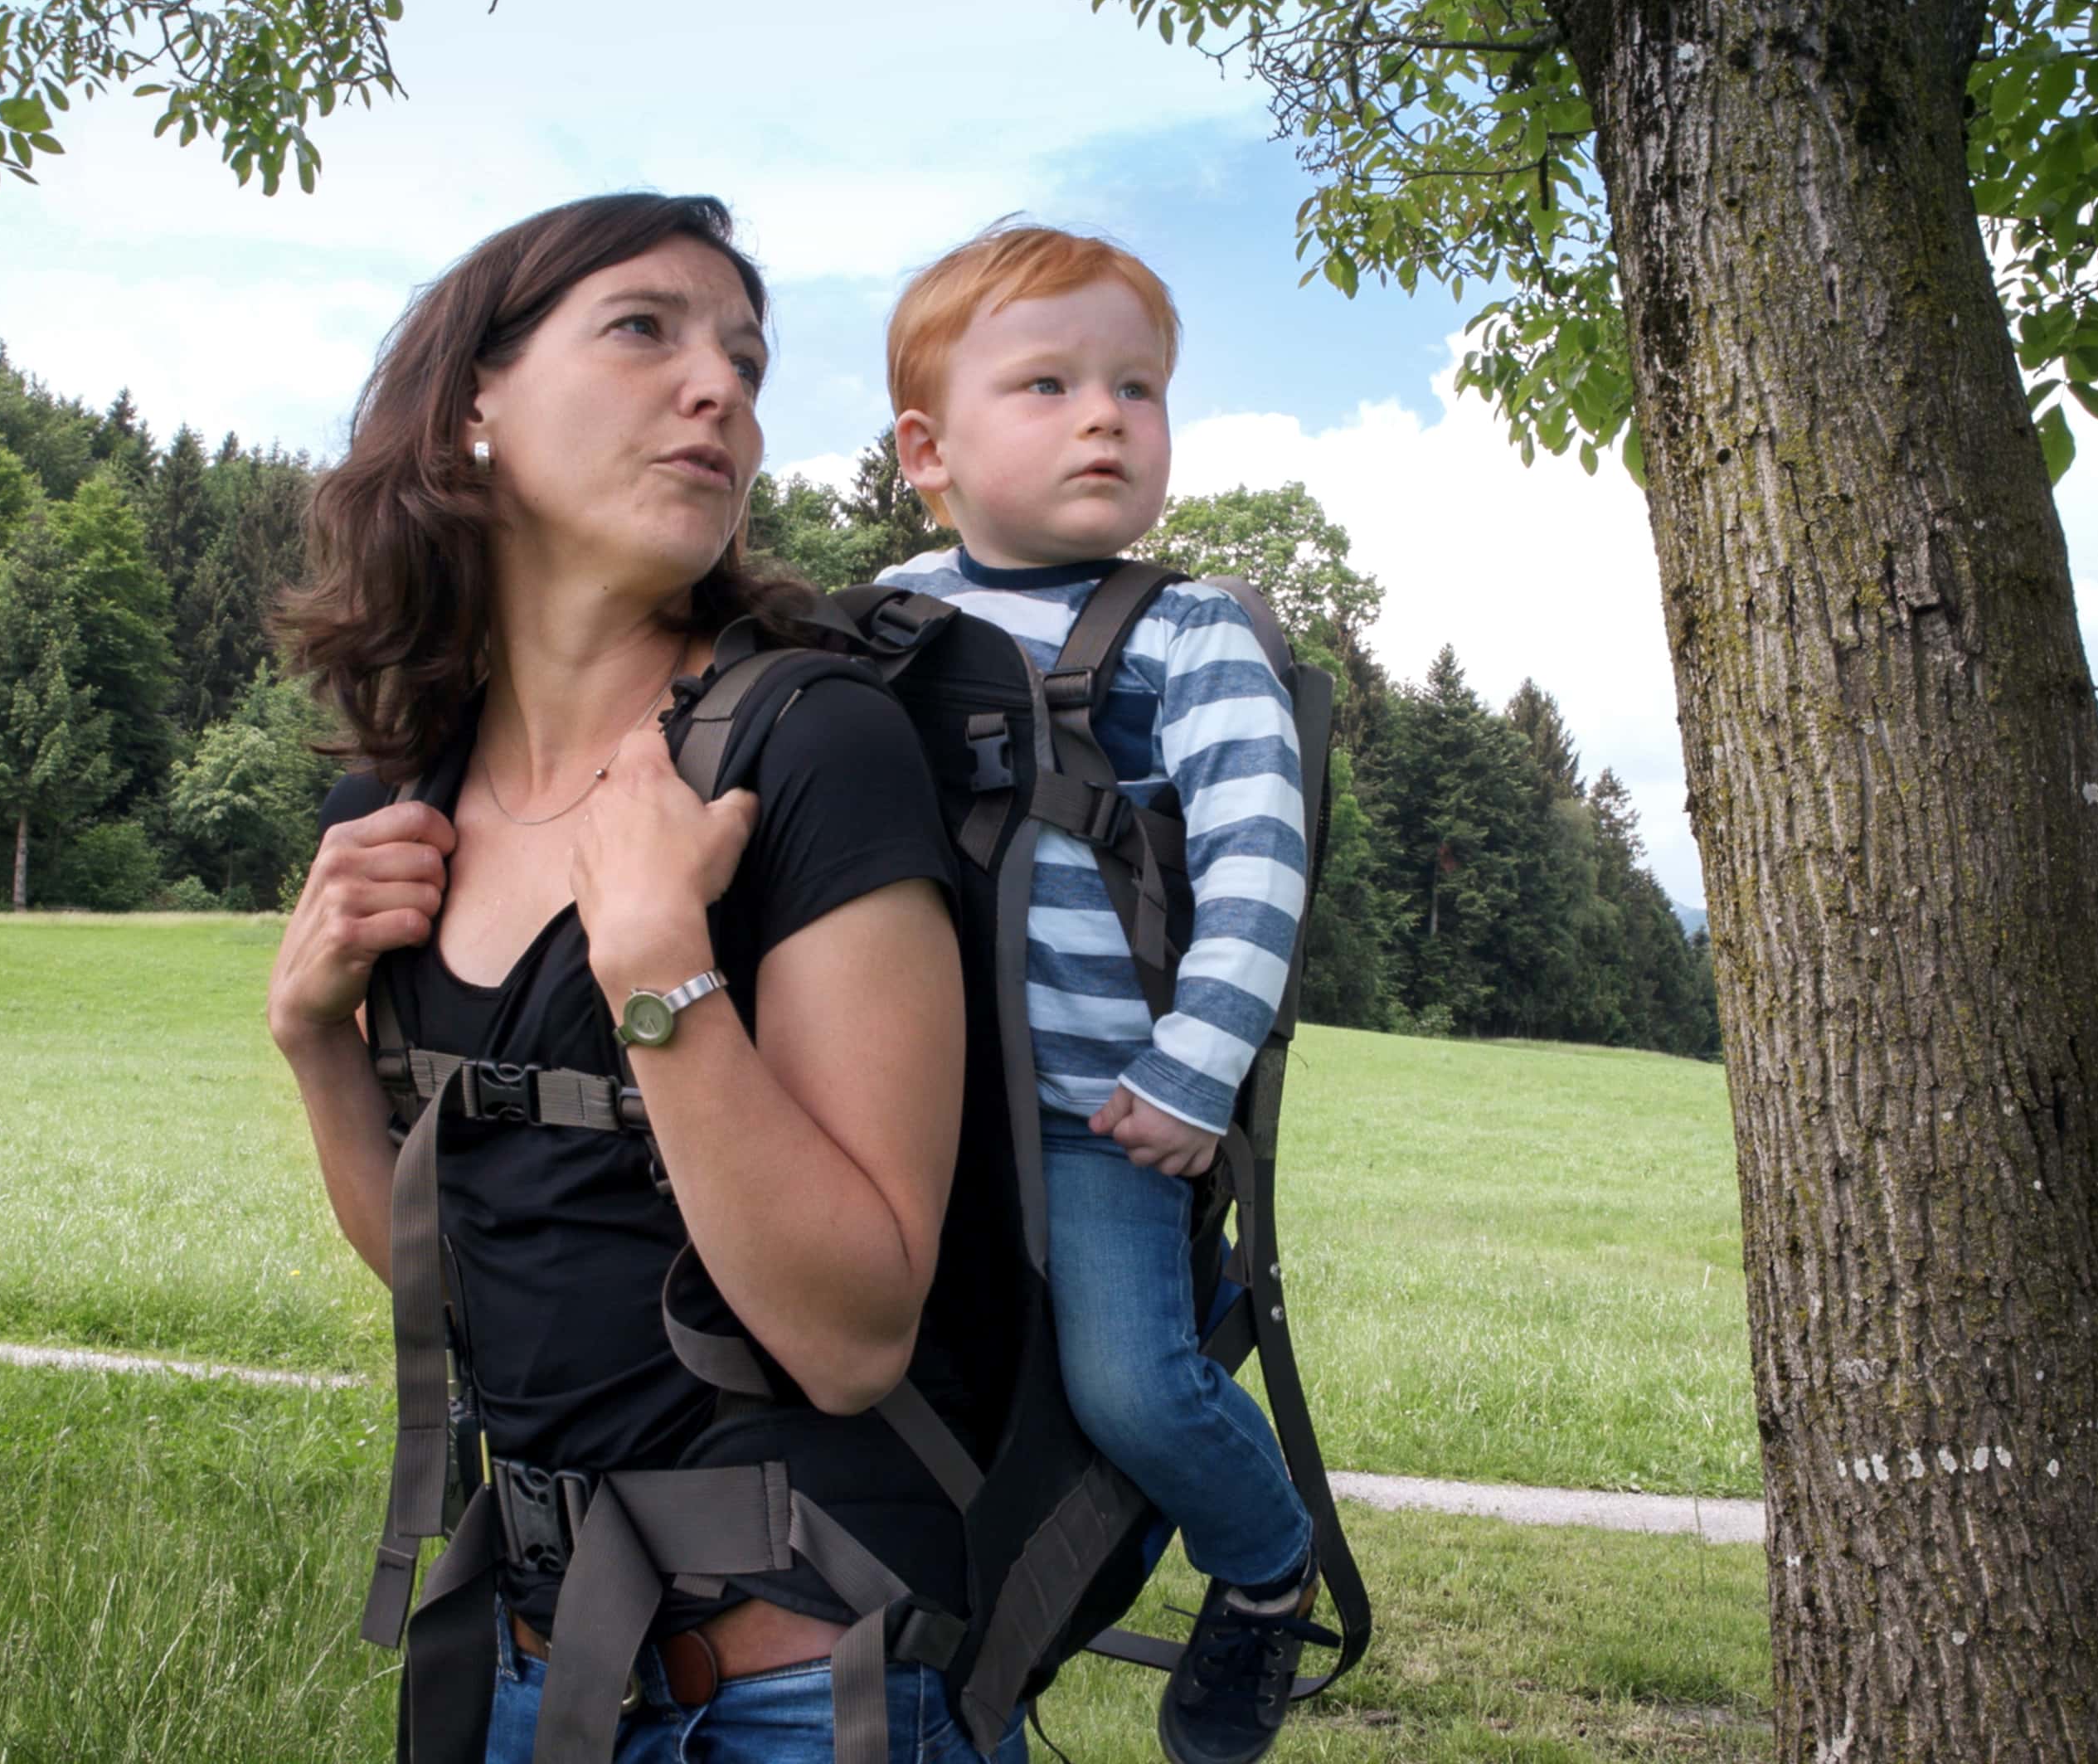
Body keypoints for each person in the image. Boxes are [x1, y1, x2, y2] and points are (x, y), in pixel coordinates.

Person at [267, 193, 1022, 1764]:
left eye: (746, 360)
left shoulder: (809, 746)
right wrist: (314, 1041)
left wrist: (662, 969)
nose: (723, 389)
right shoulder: (396, 805)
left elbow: (853, 1331)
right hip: (535, 1675)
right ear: (474, 398)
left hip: (813, 1693)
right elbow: (460, 1287)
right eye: (645, 329)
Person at [876, 225, 1326, 1764]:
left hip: (1098, 1115)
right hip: (912, 1112)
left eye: (1138, 387)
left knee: (1132, 1388)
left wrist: (1197, 1073)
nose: (1106, 417)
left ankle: (1267, 1574)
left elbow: (1262, 864)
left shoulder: (1185, 637)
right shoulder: (888, 621)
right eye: (1050, 383)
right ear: (927, 453)